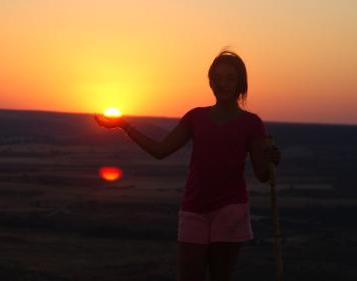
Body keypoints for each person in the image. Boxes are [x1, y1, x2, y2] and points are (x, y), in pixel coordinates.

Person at [94, 50, 281, 281]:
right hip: (193, 208)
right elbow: (160, 151)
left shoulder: (252, 124)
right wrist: (125, 126)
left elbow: (262, 174)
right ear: (210, 81)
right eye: (218, 77)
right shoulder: (195, 117)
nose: (223, 83)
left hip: (230, 210)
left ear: (240, 83)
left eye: (230, 78)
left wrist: (272, 161)